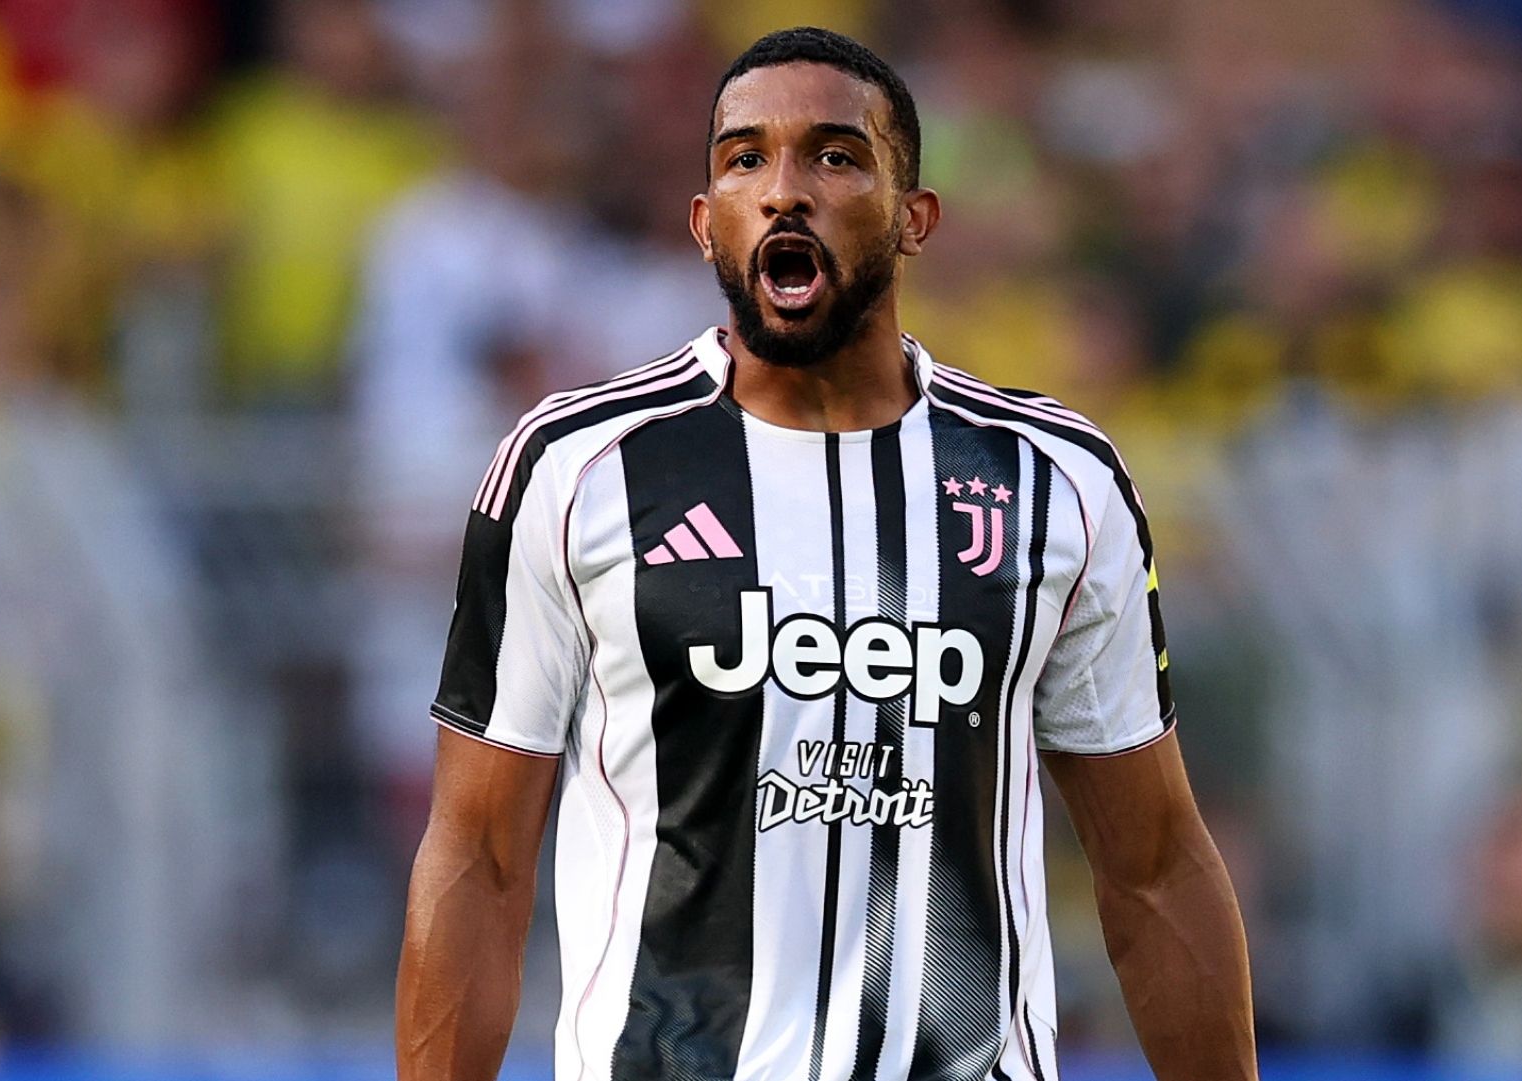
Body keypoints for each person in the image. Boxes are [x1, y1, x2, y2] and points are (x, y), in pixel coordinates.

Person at [395, 27, 1258, 1081]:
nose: (784, 191)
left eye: (836, 156)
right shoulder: (575, 469)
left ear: (915, 218)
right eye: (745, 159)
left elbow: (1155, 868)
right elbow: (479, 860)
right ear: (705, 222)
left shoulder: (1055, 482)